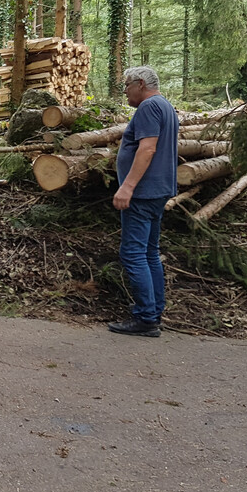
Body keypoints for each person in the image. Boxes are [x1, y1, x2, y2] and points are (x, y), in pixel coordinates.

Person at [108, 66, 179, 338]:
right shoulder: (166, 107)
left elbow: (148, 148)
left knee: (133, 253)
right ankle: (153, 309)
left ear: (140, 83)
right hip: (158, 190)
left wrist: (127, 186)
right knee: (149, 252)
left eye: (127, 85)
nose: (124, 90)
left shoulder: (148, 108)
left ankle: (146, 318)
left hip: (143, 192)